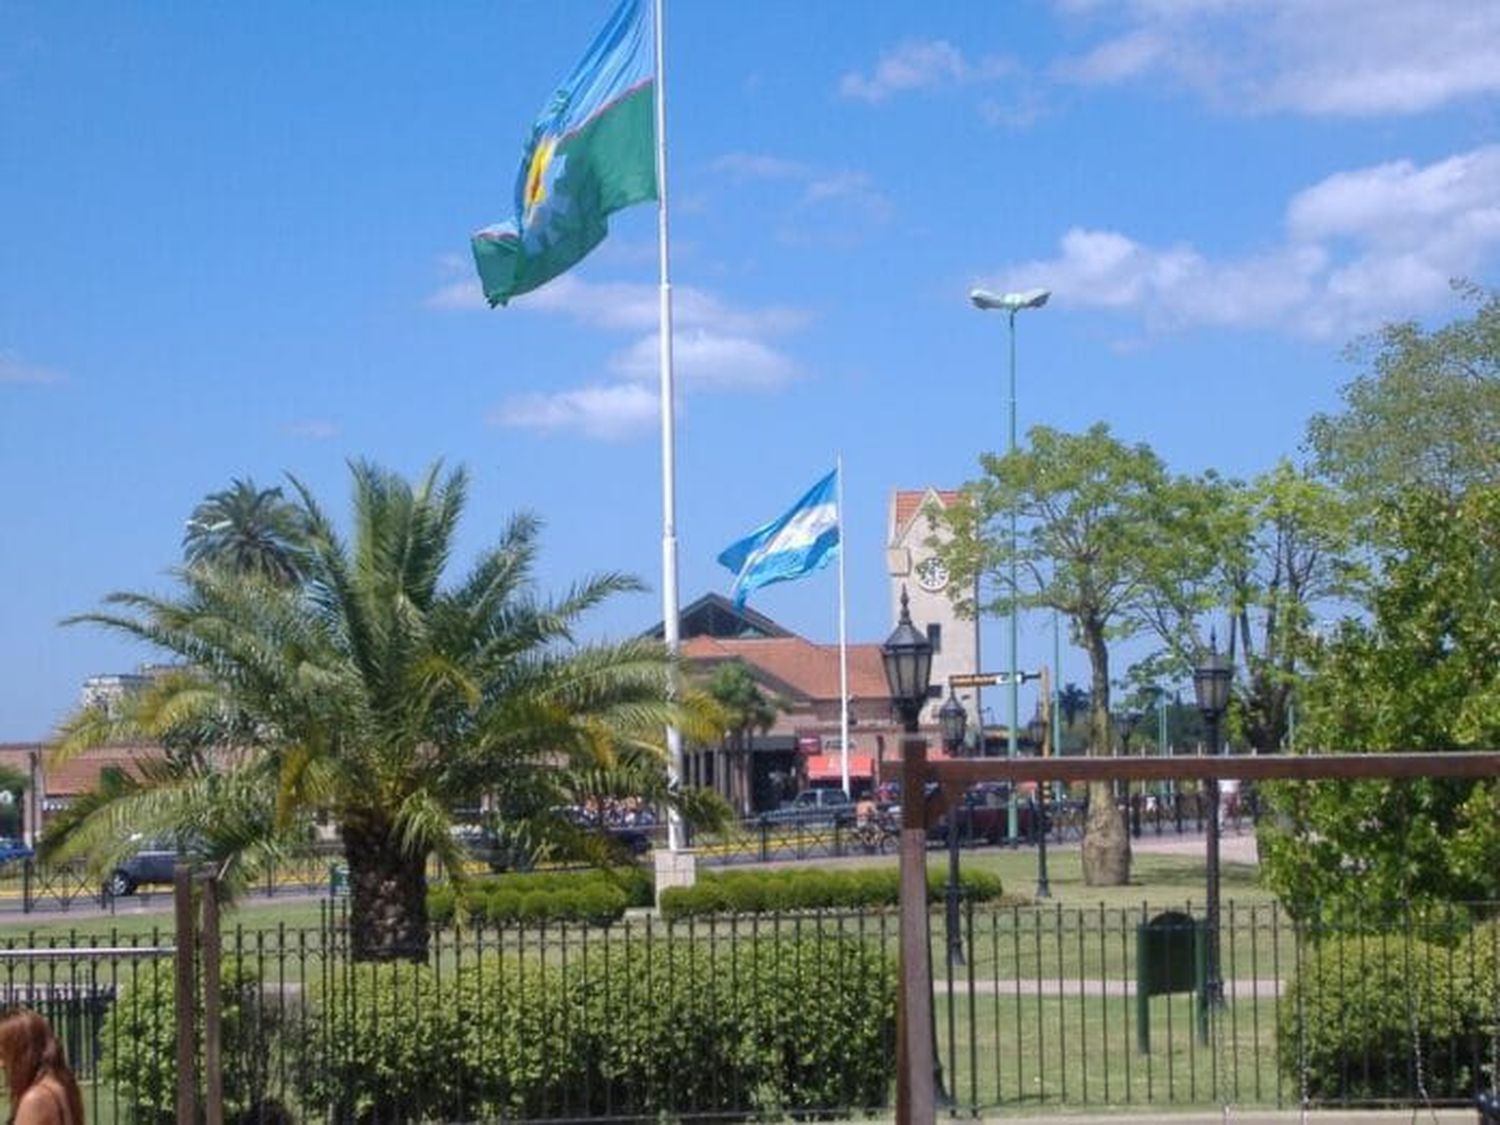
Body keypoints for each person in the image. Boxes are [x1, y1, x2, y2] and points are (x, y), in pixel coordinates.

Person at [0, 1009, 84, 1125]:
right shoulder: (62, 1085)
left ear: (23, 1053)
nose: (1, 1065)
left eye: (4, 1055)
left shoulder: (36, 1099)